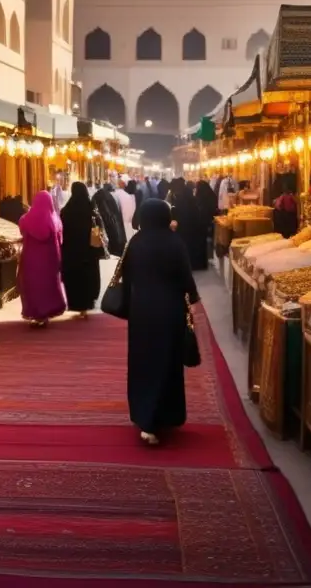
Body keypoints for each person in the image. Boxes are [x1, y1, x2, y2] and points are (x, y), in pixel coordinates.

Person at [121, 199, 199, 446]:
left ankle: (146, 418)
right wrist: (193, 296)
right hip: (170, 310)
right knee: (166, 361)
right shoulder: (174, 241)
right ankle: (166, 415)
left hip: (142, 310)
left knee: (143, 361)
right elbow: (186, 276)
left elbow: (126, 275)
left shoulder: (136, 242)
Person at [18, 191, 67, 326]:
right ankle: (45, 314)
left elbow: (22, 227)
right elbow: (60, 238)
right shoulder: (55, 219)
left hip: (31, 259)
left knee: (34, 286)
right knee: (47, 285)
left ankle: (36, 314)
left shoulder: (27, 218)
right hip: (50, 258)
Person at [60, 182, 103, 319]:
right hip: (89, 251)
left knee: (74, 278)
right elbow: (99, 226)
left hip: (72, 252)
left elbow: (62, 230)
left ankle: (76, 304)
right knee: (88, 277)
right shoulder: (90, 208)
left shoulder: (66, 211)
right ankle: (87, 304)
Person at [169, 178, 207, 271]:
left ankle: (189, 264)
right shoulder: (189, 196)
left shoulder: (180, 197)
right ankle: (197, 264)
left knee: (188, 245)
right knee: (194, 244)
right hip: (193, 225)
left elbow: (179, 211)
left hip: (184, 226)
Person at [92, 184, 126, 257]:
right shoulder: (113, 205)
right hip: (118, 244)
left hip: (105, 249)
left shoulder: (96, 214)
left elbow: (95, 234)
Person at [272, 172, 299, 239]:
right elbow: (296, 203)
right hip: (291, 215)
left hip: (287, 215)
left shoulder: (284, 196)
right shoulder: (290, 196)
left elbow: (278, 205)